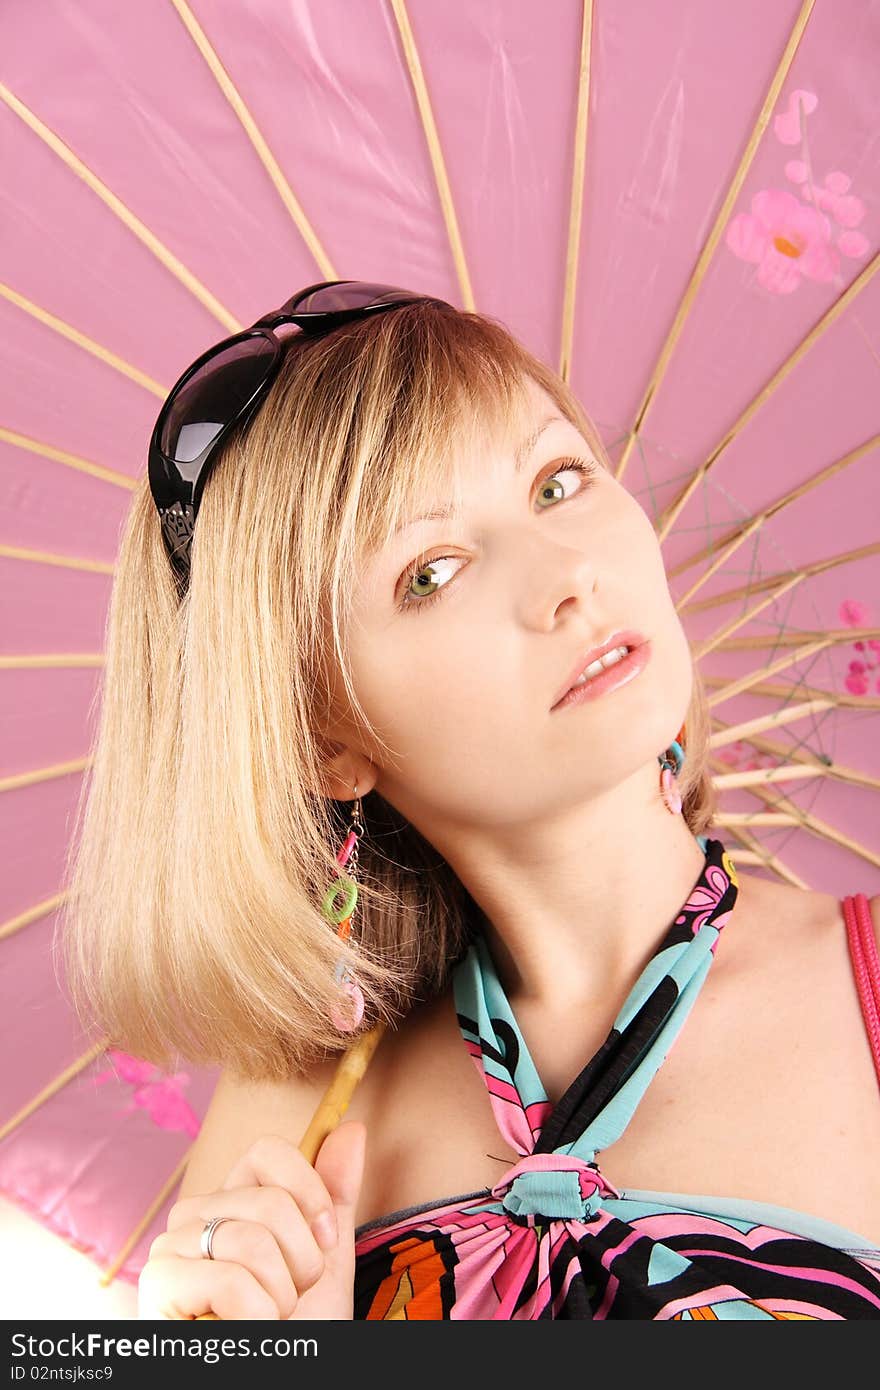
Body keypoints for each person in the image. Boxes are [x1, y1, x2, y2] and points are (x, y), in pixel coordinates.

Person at [57, 282, 880, 1320]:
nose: (564, 578)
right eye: (431, 570)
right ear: (326, 740)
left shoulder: (866, 992)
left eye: (556, 481)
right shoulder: (301, 1112)